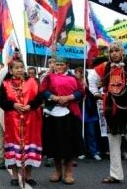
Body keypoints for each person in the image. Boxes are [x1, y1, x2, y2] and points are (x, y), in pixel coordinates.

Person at [88, 41, 127, 188]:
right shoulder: (103, 67)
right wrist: (96, 93)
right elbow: (91, 81)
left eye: (117, 51)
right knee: (113, 144)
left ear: (122, 52)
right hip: (111, 110)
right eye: (112, 51)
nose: (114, 53)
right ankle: (115, 175)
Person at [0, 58, 43, 186]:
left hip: (31, 120)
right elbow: (1, 101)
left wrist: (31, 105)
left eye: (21, 67)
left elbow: (40, 97)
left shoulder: (33, 82)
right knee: (14, 148)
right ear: (11, 70)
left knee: (29, 148)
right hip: (13, 121)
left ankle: (28, 175)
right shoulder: (5, 83)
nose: (20, 70)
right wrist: (14, 104)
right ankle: (15, 176)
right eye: (16, 68)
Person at [40, 57, 84, 185]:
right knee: (55, 143)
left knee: (69, 143)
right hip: (53, 113)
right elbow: (43, 91)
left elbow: (81, 92)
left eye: (61, 64)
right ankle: (57, 171)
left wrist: (68, 98)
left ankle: (68, 172)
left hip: (69, 114)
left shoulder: (74, 78)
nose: (58, 67)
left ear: (66, 65)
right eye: (57, 64)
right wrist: (55, 98)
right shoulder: (49, 78)